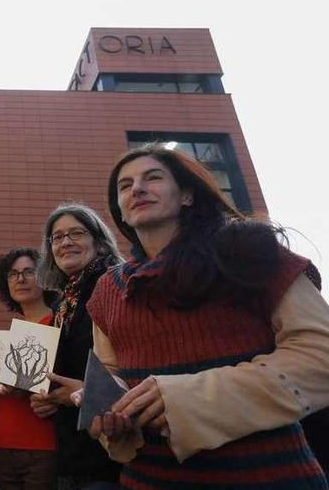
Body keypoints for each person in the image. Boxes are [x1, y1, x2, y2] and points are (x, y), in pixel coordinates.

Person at [84, 144, 329, 488]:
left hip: (267, 476)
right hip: (147, 479)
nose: (137, 188)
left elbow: (320, 357)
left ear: (186, 195)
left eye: (153, 178)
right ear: (121, 212)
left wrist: (190, 397)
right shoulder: (106, 290)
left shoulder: (249, 252)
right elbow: (110, 374)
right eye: (125, 186)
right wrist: (110, 415)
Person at [32, 203, 122, 490]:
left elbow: (139, 364)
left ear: (99, 242)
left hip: (113, 452)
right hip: (72, 450)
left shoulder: (116, 286)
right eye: (57, 237)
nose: (66, 242)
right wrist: (49, 398)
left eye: (76, 233)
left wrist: (84, 391)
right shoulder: (64, 302)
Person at [0, 248, 57, 490]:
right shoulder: (10, 334)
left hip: (44, 445)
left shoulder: (60, 324)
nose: (20, 279)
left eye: (29, 272)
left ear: (45, 277)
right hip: (4, 444)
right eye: (13, 274)